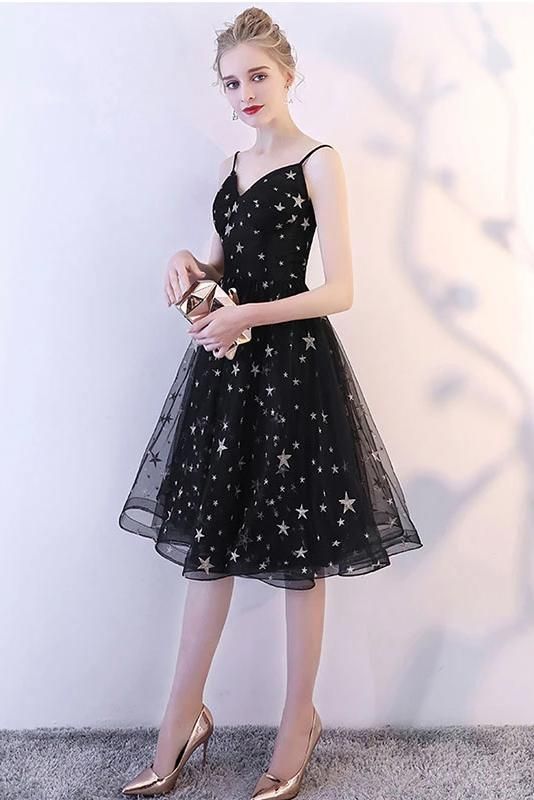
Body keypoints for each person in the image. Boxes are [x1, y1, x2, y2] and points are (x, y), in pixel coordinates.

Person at [119, 6, 423, 799]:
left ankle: (298, 721)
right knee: (208, 546)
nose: (246, 92)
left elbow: (340, 289)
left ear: (288, 74)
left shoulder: (319, 161)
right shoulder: (235, 164)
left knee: (300, 556)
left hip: (293, 372)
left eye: (258, 76)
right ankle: (180, 719)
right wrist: (186, 263)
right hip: (229, 375)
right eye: (231, 82)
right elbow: (220, 266)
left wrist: (245, 313)